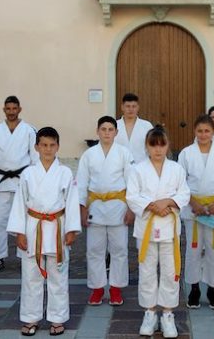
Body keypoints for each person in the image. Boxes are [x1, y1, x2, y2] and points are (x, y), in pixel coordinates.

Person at [7, 127, 81, 337]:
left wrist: (72, 229)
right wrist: (19, 232)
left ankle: (57, 319)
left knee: (58, 275)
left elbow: (72, 201)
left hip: (57, 226)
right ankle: (31, 318)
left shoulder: (65, 172)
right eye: (44, 145)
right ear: (36, 147)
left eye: (52, 145)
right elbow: (20, 203)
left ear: (58, 146)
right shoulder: (28, 173)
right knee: (31, 276)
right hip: (33, 227)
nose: (48, 149)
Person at [127, 126, 190, 338]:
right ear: (147, 146)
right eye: (153, 145)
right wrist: (153, 206)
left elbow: (184, 193)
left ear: (167, 146)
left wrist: (168, 202)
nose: (158, 149)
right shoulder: (137, 169)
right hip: (147, 227)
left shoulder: (176, 169)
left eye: (162, 145)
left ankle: (168, 313)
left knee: (171, 271)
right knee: (146, 270)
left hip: (169, 227)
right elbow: (132, 196)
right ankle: (150, 312)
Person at [76, 115, 134, 306]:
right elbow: (82, 182)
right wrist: (82, 208)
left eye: (110, 129)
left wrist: (131, 209)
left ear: (116, 132)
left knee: (119, 250)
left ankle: (116, 288)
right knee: (94, 250)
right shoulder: (89, 155)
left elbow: (131, 183)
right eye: (104, 129)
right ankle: (97, 288)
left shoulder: (124, 153)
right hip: (96, 207)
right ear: (97, 131)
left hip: (118, 205)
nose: (107, 133)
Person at [0, 95, 38, 273]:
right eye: (8, 109)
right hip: (1, 181)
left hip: (23, 181)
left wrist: (35, 182)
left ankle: (26, 255)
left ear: (19, 109)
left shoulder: (29, 130)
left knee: (26, 220)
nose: (11, 112)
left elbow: (35, 158)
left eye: (14, 108)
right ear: (4, 110)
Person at [178, 114, 214, 309]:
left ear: (213, 133)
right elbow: (180, 182)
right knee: (193, 250)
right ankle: (194, 288)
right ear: (194, 131)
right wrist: (193, 203)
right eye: (200, 131)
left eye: (207, 131)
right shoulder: (186, 153)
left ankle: (212, 288)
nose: (203, 134)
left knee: (213, 250)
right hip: (193, 209)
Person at [115, 92, 154, 163]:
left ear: (138, 107)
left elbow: (153, 147)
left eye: (134, 106)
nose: (131, 109)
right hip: (119, 166)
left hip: (141, 166)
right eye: (128, 106)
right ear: (122, 107)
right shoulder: (114, 125)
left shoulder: (147, 126)